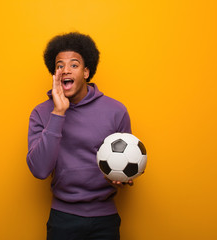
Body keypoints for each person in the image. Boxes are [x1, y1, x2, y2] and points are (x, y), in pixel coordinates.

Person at [27, 32, 133, 240]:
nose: (66, 69)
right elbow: (39, 170)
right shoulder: (41, 113)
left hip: (105, 219)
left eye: (74, 65)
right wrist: (58, 113)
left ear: (86, 71)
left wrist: (121, 177)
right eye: (60, 65)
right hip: (62, 218)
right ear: (54, 73)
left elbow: (126, 163)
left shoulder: (116, 111)